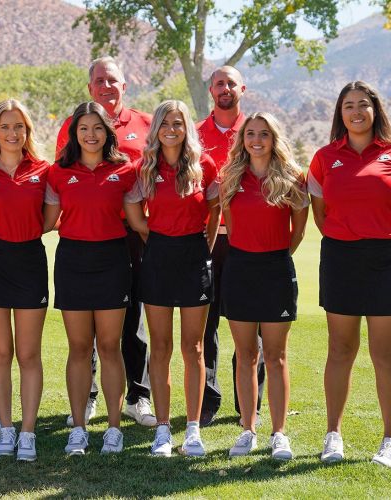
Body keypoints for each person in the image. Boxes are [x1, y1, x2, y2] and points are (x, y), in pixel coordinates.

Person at [308, 81, 391, 468]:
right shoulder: (325, 157)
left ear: (375, 109)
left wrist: (383, 241)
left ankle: (390, 440)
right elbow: (321, 214)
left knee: (385, 353)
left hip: (388, 258)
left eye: (362, 105)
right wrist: (348, 239)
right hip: (341, 255)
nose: (355, 112)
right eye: (347, 106)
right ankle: (333, 436)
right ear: (339, 114)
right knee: (340, 349)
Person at [56, 56, 155, 427]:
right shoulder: (72, 125)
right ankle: (89, 396)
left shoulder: (145, 124)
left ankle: (138, 397)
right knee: (86, 329)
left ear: (124, 86)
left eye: (112, 80)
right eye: (99, 80)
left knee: (132, 321)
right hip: (86, 237)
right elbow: (65, 182)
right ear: (90, 88)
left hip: (131, 234)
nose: (106, 86)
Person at [125, 100, 220, 457]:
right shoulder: (144, 168)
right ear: (156, 129)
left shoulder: (203, 165)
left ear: (187, 128)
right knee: (160, 347)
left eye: (178, 123)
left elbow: (215, 211)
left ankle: (192, 430)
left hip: (194, 257)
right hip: (159, 258)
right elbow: (135, 215)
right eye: (165, 122)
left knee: (194, 348)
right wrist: (158, 237)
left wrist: (203, 246)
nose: (171, 128)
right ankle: (163, 430)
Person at [45, 101, 138, 455]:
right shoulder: (58, 172)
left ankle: (114, 428)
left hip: (113, 261)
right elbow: (45, 222)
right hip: (73, 261)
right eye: (83, 128)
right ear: (74, 133)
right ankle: (79, 429)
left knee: (111, 347)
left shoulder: (125, 170)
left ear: (107, 132)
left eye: (98, 128)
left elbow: (137, 219)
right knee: (80, 348)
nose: (91, 134)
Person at [219, 113, 308, 460]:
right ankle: (247, 429)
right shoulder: (230, 177)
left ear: (274, 139)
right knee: (245, 355)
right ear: (242, 139)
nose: (256, 140)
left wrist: (275, 257)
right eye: (250, 134)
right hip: (240, 269)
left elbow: (298, 231)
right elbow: (231, 225)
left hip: (276, 269)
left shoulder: (292, 177)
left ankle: (279, 433)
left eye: (264, 134)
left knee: (276, 356)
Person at [0, 99, 50, 461]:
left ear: (27, 131)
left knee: (29, 353)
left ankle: (28, 432)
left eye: (19, 126)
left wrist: (23, 232)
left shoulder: (44, 170)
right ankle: (6, 427)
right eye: (5, 126)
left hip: (30, 260)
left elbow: (49, 219)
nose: (13, 133)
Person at [196, 65, 266, 426]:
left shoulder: (256, 132)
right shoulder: (194, 134)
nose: (225, 88)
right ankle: (208, 400)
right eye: (219, 83)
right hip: (209, 240)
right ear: (211, 90)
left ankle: (249, 403)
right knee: (206, 325)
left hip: (248, 241)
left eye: (231, 83)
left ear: (243, 88)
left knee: (252, 324)